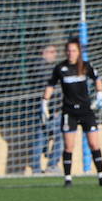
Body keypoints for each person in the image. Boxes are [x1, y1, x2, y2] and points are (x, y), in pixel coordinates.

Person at [42, 37, 102, 187]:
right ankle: (68, 179)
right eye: (68, 51)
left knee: (94, 143)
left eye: (73, 50)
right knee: (69, 146)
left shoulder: (85, 66)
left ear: (78, 52)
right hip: (69, 112)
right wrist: (44, 102)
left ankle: (101, 176)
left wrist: (100, 95)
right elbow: (51, 85)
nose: (71, 53)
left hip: (86, 111)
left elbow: (97, 79)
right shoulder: (60, 68)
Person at [31, 43, 62, 174]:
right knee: (60, 136)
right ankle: (51, 165)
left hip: (47, 108)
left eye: (55, 51)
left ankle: (37, 168)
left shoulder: (44, 67)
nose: (54, 54)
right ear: (43, 53)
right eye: (51, 51)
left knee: (42, 137)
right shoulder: (43, 68)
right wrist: (55, 108)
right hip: (47, 108)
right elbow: (49, 89)